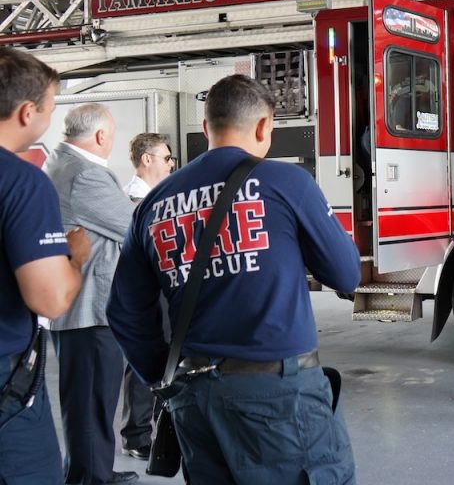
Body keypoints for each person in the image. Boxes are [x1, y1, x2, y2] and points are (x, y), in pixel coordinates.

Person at [107, 74, 361, 484]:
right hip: (278, 399)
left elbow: (124, 312)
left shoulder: (152, 205)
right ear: (264, 127)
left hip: (192, 400)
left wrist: (163, 376)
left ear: (207, 128)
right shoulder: (287, 183)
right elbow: (346, 274)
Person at [0, 47, 91, 484]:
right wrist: (73, 259)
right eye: (49, 110)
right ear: (26, 112)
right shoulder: (20, 181)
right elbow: (50, 298)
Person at [44, 103, 138, 485]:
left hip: (82, 307)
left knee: (93, 400)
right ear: (101, 136)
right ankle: (88, 479)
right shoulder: (85, 174)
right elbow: (134, 227)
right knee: (90, 402)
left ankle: (94, 471)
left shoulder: (63, 164)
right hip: (89, 310)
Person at [117, 132, 175, 461]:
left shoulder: (159, 195)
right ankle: (135, 435)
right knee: (144, 362)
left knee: (168, 359)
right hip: (147, 291)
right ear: (147, 159)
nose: (171, 163)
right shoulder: (132, 200)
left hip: (166, 287)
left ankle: (157, 425)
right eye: (166, 158)